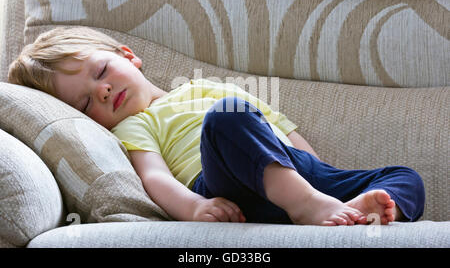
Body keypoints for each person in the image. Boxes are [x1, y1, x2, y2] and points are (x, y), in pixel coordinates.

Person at [8, 27, 425, 226]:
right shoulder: (133, 127)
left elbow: (283, 129)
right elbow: (154, 178)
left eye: (101, 71)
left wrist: (324, 178)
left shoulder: (205, 87)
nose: (102, 91)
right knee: (226, 117)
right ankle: (307, 208)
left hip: (295, 172)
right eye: (84, 101)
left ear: (128, 55)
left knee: (404, 178)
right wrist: (194, 209)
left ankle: (358, 212)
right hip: (227, 186)